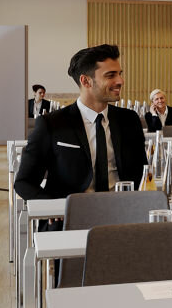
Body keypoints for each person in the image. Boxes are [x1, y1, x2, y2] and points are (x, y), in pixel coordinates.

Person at [14, 44, 146, 200]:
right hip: (72, 214)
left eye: (119, 74)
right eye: (111, 75)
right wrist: (52, 206)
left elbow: (142, 174)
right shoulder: (52, 123)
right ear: (86, 81)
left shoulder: (129, 120)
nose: (120, 81)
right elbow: (24, 182)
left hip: (123, 210)